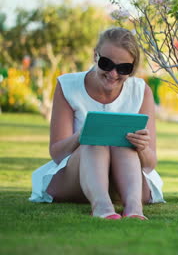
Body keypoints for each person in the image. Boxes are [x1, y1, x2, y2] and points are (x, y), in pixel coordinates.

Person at [29, 27, 165, 220]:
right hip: (77, 178)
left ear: (132, 69)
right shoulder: (68, 86)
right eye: (106, 63)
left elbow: (150, 163)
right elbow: (57, 154)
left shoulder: (141, 91)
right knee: (95, 141)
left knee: (123, 142)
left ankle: (134, 208)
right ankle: (102, 207)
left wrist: (141, 147)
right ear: (95, 56)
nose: (113, 73)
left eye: (124, 68)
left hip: (126, 181)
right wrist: (82, 135)